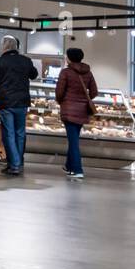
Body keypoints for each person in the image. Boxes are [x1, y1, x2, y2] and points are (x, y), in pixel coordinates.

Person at [0, 36, 37, 176]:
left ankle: (14, 165)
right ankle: (18, 162)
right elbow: (34, 75)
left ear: (4, 47)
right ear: (16, 47)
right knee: (20, 133)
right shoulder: (26, 61)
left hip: (6, 102)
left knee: (9, 133)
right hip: (22, 102)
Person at [55, 46, 98, 180]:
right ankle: (69, 166)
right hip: (82, 111)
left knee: (73, 142)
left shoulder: (65, 72)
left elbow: (59, 92)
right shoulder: (88, 73)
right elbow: (94, 92)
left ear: (69, 58)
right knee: (73, 139)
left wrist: (62, 101)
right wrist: (84, 99)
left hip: (68, 110)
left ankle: (78, 170)